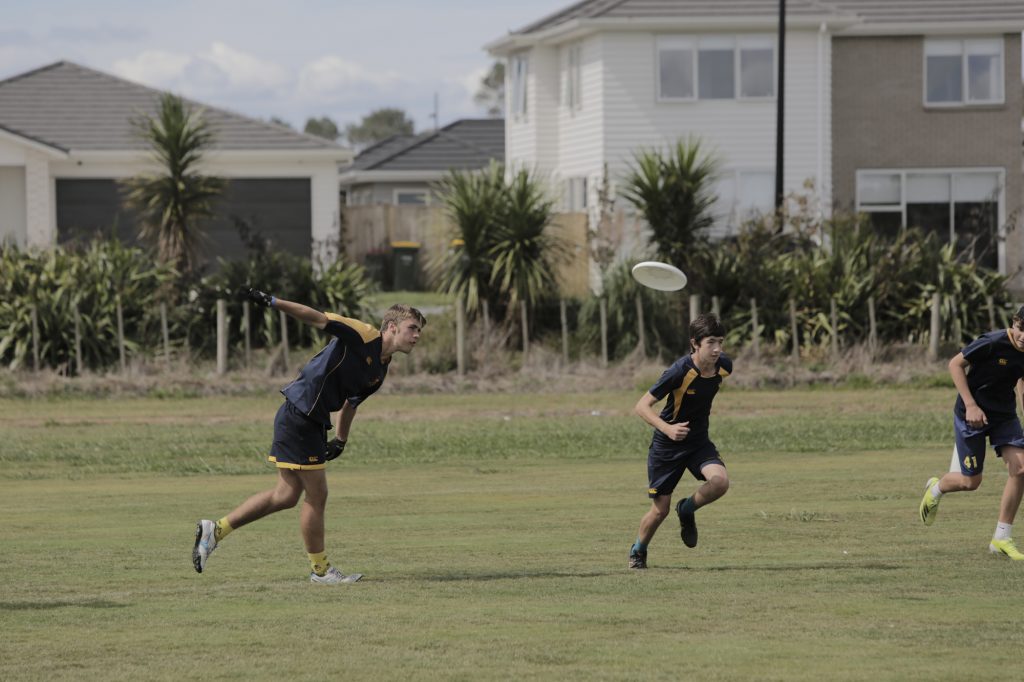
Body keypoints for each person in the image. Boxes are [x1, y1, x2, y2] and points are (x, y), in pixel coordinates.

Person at [192, 288, 425, 583]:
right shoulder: (363, 334)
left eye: (419, 331)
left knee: (286, 496)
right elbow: (316, 317)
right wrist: (272, 302)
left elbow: (350, 403)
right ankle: (320, 571)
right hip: (300, 415)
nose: (417, 336)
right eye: (412, 328)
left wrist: (340, 440)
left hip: (309, 420)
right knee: (317, 494)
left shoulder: (381, 369)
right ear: (392, 327)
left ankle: (216, 529)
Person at [919, 305, 1024, 560]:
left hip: (1003, 416)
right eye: (1022, 329)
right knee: (970, 482)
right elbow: (955, 364)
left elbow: (1022, 382)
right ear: (1014, 322)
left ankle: (1001, 538)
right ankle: (936, 488)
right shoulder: (991, 342)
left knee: (1021, 468)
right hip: (971, 415)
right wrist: (971, 405)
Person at [629, 313, 732, 569]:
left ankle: (686, 510)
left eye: (720, 341)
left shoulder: (724, 367)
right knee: (659, 511)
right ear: (695, 344)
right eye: (710, 342)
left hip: (697, 442)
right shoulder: (678, 371)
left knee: (720, 482)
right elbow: (641, 406)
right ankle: (638, 551)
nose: (717, 348)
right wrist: (668, 429)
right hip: (667, 446)